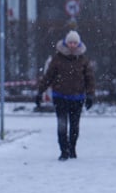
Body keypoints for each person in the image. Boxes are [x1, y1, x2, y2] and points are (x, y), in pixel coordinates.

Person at [35, 30, 96, 160]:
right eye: (70, 42)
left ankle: (72, 148)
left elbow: (89, 79)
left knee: (74, 126)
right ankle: (64, 150)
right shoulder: (57, 59)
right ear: (66, 43)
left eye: (75, 43)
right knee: (62, 125)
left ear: (78, 44)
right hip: (60, 96)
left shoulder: (83, 60)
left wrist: (90, 95)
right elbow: (49, 76)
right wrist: (40, 91)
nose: (72, 45)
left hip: (77, 97)